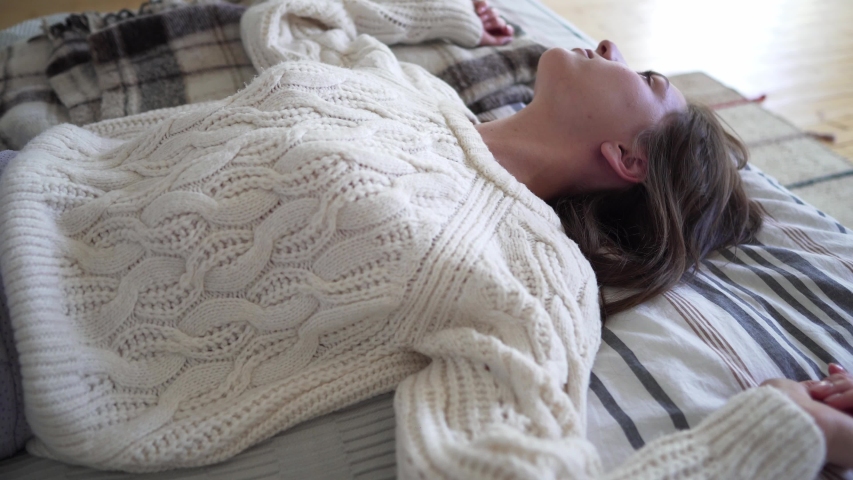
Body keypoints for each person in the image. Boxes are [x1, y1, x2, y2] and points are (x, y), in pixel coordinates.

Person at [0, 0, 850, 477]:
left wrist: (766, 438)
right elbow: (290, 20)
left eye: (649, 78)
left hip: (26, 336)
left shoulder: (530, 274)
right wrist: (433, 16)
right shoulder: (409, 88)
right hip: (26, 174)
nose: (606, 43)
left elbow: (502, 467)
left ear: (628, 157)